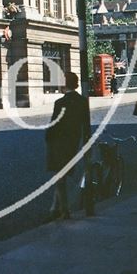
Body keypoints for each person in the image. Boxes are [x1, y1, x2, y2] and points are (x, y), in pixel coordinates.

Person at [45, 71, 90, 220]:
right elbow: (86, 125)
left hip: (59, 142)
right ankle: (54, 208)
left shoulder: (60, 103)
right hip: (73, 142)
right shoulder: (83, 101)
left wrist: (48, 139)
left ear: (64, 84)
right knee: (61, 175)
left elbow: (53, 124)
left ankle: (64, 210)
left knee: (60, 177)